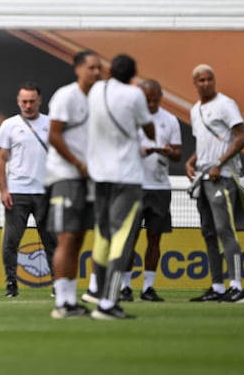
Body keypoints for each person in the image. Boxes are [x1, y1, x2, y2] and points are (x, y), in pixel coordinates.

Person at [86, 54, 154, 320]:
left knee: (102, 237)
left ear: (109, 70)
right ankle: (108, 303)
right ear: (133, 73)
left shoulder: (95, 91)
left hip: (99, 176)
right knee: (122, 238)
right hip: (126, 176)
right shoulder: (134, 95)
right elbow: (148, 129)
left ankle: (98, 293)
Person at [185, 64, 244, 304]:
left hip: (222, 176)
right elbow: (204, 143)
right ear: (194, 84)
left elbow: (243, 137)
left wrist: (219, 163)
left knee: (225, 229)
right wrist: (191, 162)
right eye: (200, 80)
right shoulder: (195, 110)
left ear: (214, 80)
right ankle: (217, 287)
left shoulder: (226, 104)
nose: (205, 83)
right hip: (204, 178)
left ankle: (237, 287)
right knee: (209, 232)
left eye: (209, 79)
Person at [46, 51, 101, 318]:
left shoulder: (99, 99)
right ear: (78, 68)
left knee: (78, 238)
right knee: (66, 237)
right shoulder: (66, 96)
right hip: (66, 176)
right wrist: (79, 164)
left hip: (88, 179)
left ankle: (70, 300)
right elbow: (54, 135)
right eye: (91, 67)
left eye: (99, 68)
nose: (97, 72)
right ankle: (62, 302)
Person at [118, 79, 181, 303]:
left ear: (161, 97)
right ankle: (125, 287)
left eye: (155, 100)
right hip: (134, 185)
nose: (152, 104)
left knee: (154, 238)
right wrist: (139, 151)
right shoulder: (129, 119)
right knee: (129, 238)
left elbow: (178, 154)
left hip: (159, 186)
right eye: (148, 100)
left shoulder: (170, 120)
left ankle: (148, 288)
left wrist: (166, 151)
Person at [0, 81, 57, 298]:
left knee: (51, 241)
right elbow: (1, 159)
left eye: (31, 101)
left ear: (39, 101)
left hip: (45, 191)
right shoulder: (9, 125)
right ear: (18, 101)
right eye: (24, 101)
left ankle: (58, 284)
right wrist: (3, 190)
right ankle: (11, 283)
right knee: (11, 241)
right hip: (17, 191)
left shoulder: (51, 124)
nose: (28, 105)